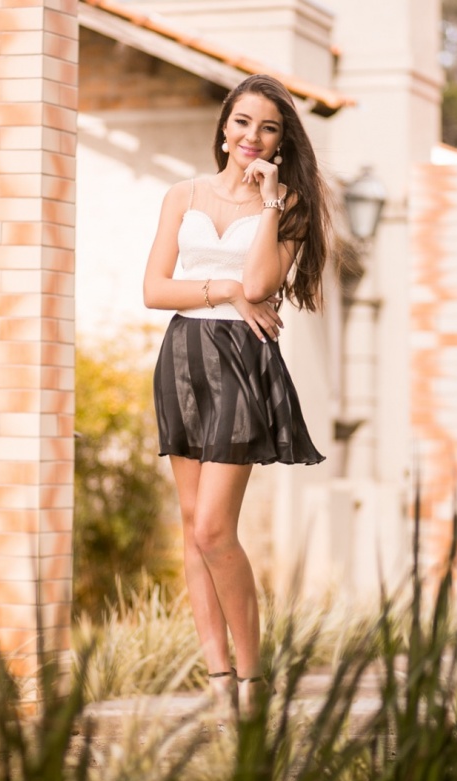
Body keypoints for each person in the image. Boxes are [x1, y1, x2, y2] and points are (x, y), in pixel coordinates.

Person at [142, 74, 331, 719]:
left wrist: (272, 200)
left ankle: (253, 682)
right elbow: (155, 289)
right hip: (183, 358)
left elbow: (261, 279)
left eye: (269, 128)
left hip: (240, 364)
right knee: (193, 529)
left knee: (216, 527)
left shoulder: (291, 209)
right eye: (243, 122)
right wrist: (223, 290)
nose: (253, 137)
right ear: (225, 126)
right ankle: (217, 677)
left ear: (281, 141)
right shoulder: (182, 194)